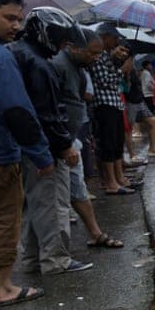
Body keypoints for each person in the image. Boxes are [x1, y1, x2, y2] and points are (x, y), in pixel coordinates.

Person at [0, 0, 52, 306]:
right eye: (10, 18)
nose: (17, 26)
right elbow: (17, 111)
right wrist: (41, 155)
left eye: (19, 19)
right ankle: (3, 287)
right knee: (2, 219)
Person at [11, 6, 92, 276]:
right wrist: (64, 145)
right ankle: (56, 259)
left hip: (24, 147)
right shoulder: (38, 64)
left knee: (33, 205)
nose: (61, 46)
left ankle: (34, 259)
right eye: (60, 40)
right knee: (53, 203)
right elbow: (47, 113)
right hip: (45, 147)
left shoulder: (17, 54)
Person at [52, 26, 122, 248]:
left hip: (71, 139)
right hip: (60, 142)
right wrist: (64, 143)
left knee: (78, 188)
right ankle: (55, 256)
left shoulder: (79, 68)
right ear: (72, 47)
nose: (96, 58)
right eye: (92, 53)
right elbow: (51, 110)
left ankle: (95, 233)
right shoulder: (57, 66)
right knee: (58, 198)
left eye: (99, 54)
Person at [86, 23, 132, 194]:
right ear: (105, 37)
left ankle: (119, 178)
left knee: (117, 143)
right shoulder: (98, 55)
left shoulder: (107, 55)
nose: (116, 42)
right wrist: (121, 71)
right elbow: (104, 80)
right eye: (114, 38)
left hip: (115, 103)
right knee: (108, 144)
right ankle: (111, 182)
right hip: (104, 104)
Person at [123, 58, 155, 159]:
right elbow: (124, 88)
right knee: (128, 129)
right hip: (129, 103)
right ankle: (132, 154)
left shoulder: (134, 71)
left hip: (140, 101)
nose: (131, 62)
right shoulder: (121, 72)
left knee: (154, 122)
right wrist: (126, 75)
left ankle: (152, 148)